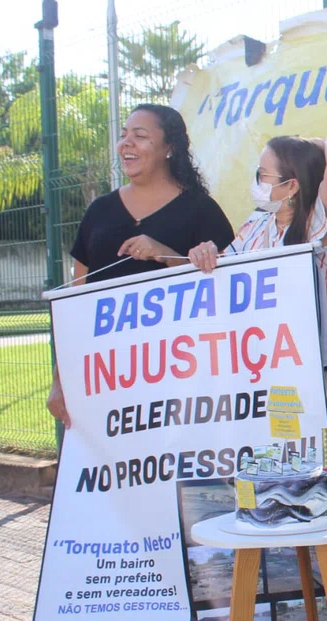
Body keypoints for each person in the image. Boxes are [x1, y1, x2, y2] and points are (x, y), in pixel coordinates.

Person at [185, 135, 327, 621]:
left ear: (293, 184)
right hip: (259, 400)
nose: (258, 182)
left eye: (265, 173)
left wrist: (316, 144)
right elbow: (218, 279)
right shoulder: (254, 227)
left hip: (316, 397)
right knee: (268, 511)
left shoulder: (322, 227)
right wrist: (198, 255)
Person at [46, 103, 234, 428]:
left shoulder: (202, 211)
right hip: (105, 385)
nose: (126, 143)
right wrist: (60, 382)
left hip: (184, 386)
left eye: (140, 135)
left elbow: (229, 296)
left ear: (169, 148)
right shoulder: (98, 212)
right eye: (123, 136)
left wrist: (165, 254)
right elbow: (74, 307)